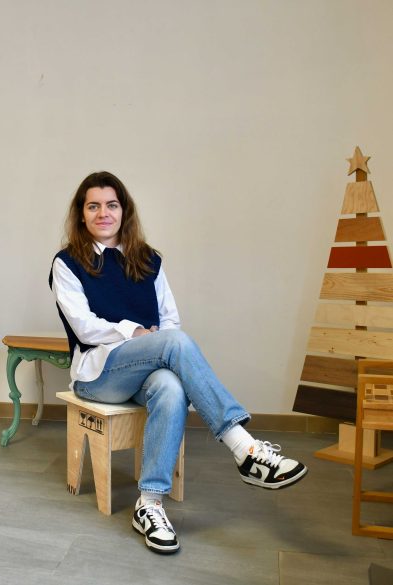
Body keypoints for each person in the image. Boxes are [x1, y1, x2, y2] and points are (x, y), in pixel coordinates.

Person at [49, 171, 307, 554]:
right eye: (93, 206)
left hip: (145, 369)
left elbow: (170, 321)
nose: (103, 213)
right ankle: (244, 448)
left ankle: (149, 504)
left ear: (124, 211)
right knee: (174, 343)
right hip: (99, 374)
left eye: (111, 205)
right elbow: (84, 328)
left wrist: (153, 341)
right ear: (81, 214)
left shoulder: (149, 259)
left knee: (171, 387)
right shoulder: (67, 262)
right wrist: (136, 332)